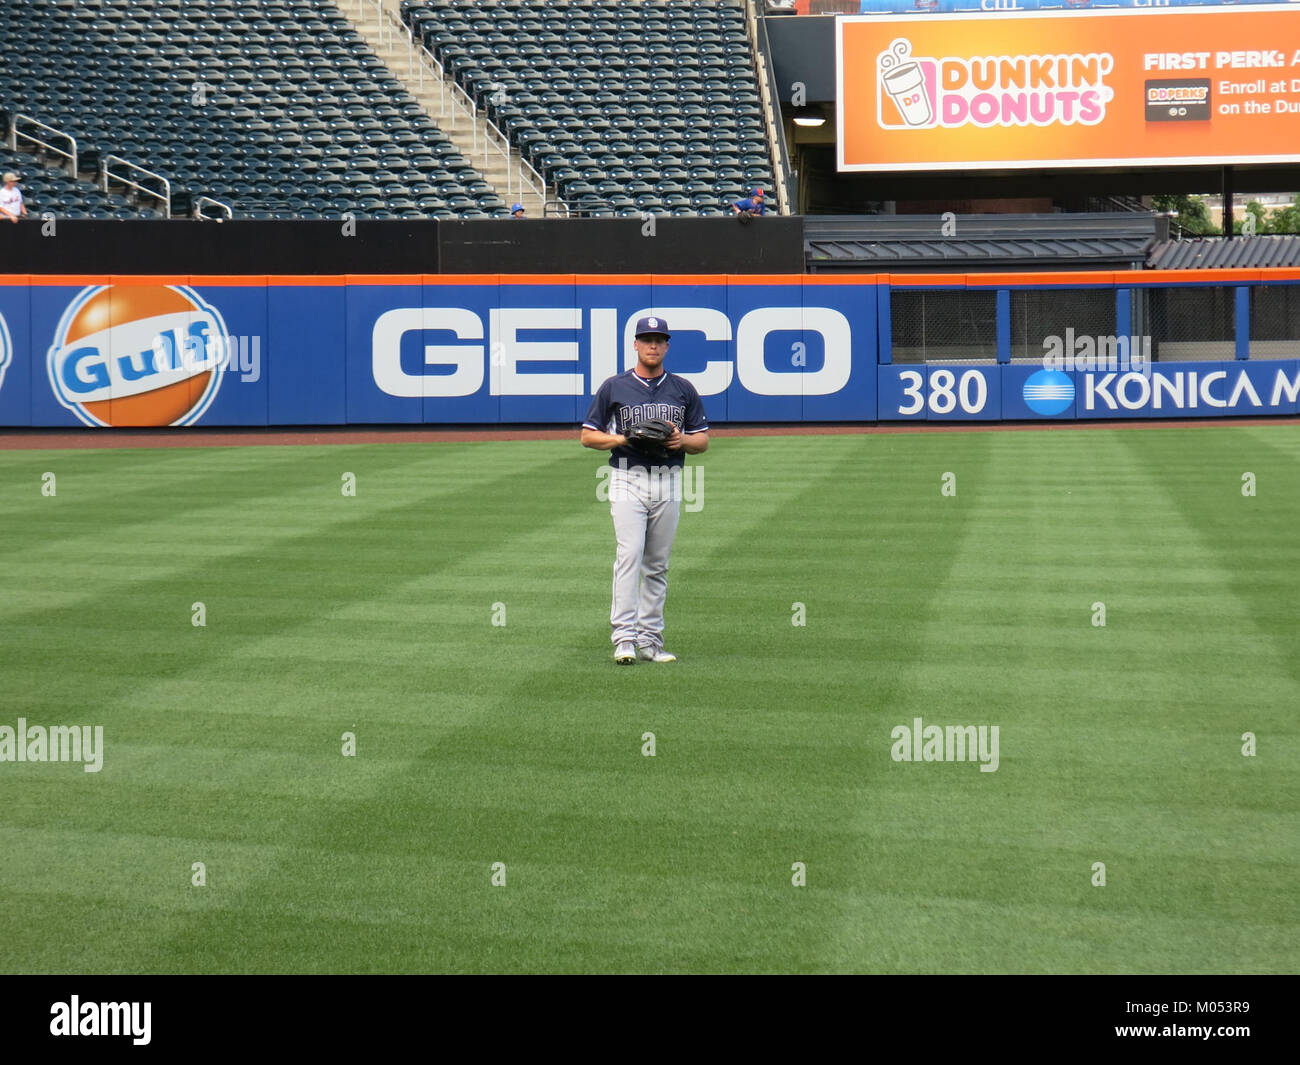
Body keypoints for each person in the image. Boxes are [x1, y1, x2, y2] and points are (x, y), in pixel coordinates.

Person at [581, 315, 709, 664]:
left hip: (669, 480)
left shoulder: (683, 389)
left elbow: (702, 441)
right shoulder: (614, 386)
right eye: (647, 339)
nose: (653, 345)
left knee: (657, 564)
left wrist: (681, 441)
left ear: (667, 346)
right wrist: (624, 438)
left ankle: (650, 641)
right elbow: (587, 436)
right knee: (630, 555)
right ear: (636, 344)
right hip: (627, 478)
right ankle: (624, 638)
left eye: (659, 340)